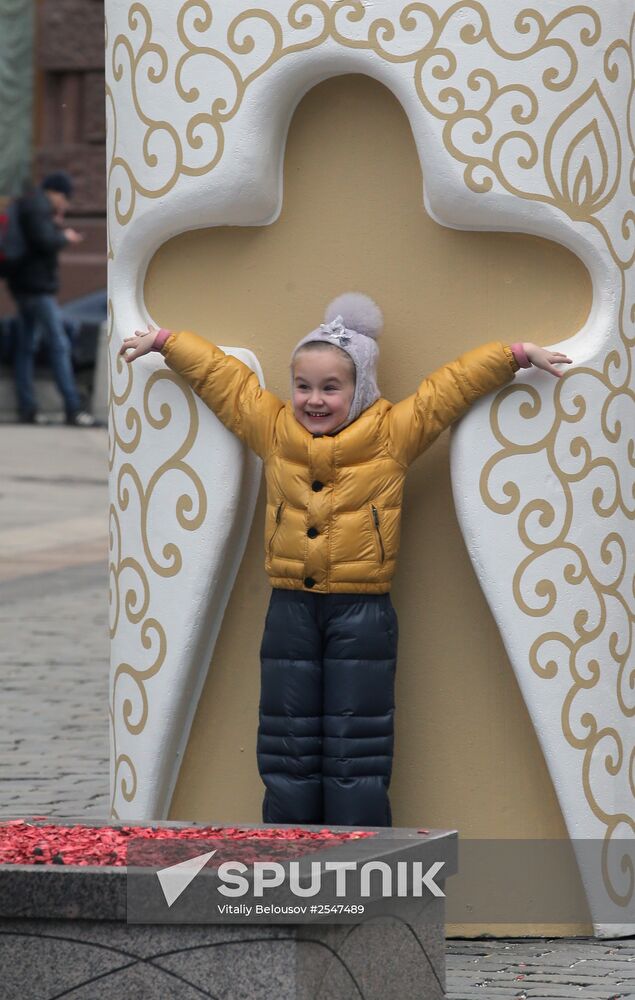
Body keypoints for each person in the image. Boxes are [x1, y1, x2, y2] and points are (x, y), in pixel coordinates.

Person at [119, 293, 572, 827]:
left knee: (356, 745)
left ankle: (359, 857)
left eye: (331, 387)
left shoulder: (390, 435)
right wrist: (167, 343)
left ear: (361, 389)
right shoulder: (274, 429)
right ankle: (288, 855)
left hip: (362, 616)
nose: (314, 399)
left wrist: (514, 355)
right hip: (289, 608)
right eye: (304, 386)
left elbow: (446, 391)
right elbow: (226, 383)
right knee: (286, 739)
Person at [7, 171, 99, 427]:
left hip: (24, 287)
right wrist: (64, 237)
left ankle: (28, 408)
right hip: (37, 290)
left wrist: (55, 224)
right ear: (57, 193)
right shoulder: (37, 206)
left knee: (26, 348)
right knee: (59, 344)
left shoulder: (30, 205)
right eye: (66, 199)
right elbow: (44, 240)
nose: (66, 205)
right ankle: (72, 408)